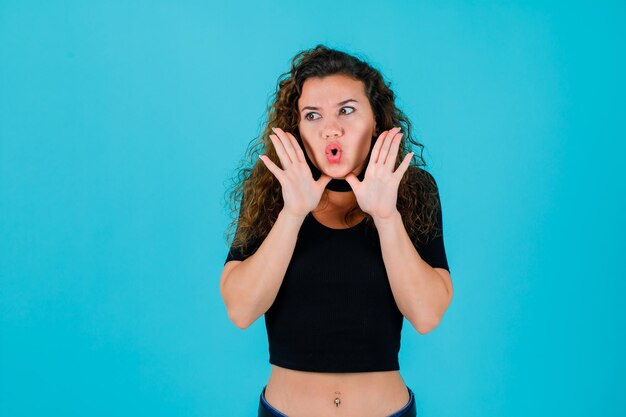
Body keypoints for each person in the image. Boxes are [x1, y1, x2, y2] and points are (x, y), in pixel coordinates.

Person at [220, 44, 453, 417]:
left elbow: (426, 315)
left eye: (347, 110)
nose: (331, 128)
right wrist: (293, 213)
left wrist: (386, 216)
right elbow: (242, 309)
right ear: (296, 128)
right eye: (313, 115)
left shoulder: (411, 190)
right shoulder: (271, 190)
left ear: (375, 119)